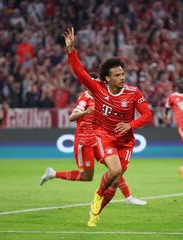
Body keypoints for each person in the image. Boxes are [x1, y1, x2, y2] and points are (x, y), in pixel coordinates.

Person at [63, 27, 153, 227]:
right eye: (117, 75)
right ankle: (97, 195)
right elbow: (80, 72)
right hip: (104, 136)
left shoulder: (133, 92)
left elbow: (147, 114)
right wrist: (71, 51)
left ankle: (96, 213)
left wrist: (130, 125)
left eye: (123, 73)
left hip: (126, 141)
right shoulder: (98, 90)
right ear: (107, 79)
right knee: (114, 170)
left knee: (115, 179)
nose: (122, 77)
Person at [40, 73, 147, 206]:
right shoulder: (84, 98)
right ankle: (53, 174)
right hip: (84, 142)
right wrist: (85, 112)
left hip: (99, 140)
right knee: (87, 176)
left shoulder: (102, 96)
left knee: (115, 169)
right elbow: (72, 117)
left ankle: (129, 197)